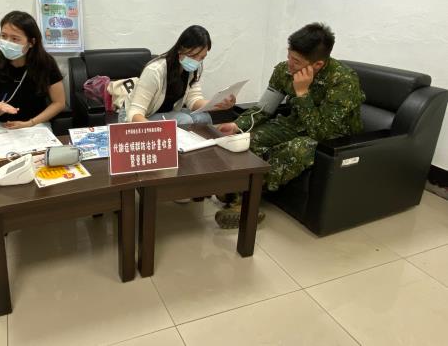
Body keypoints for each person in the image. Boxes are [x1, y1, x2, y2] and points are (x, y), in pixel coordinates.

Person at [214, 23, 365, 229]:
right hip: (296, 123)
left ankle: (246, 203)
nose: (289, 65)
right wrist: (237, 125)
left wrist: (302, 93)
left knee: (296, 149)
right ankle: (236, 189)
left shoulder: (344, 81)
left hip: (334, 136)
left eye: (296, 61)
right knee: (251, 139)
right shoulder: (283, 71)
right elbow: (264, 109)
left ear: (318, 65)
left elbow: (322, 131)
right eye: (289, 56)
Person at [0, 11, 66, 143]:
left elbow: (59, 103)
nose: (7, 42)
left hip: (36, 124)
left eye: (15, 39)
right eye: (4, 36)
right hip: (0, 126)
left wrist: (30, 123)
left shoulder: (46, 63)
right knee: (5, 153)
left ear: (31, 42)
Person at [121, 25, 235, 124]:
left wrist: (218, 104)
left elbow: (194, 100)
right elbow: (135, 113)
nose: (197, 61)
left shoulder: (191, 70)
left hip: (162, 113)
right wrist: (160, 132)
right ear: (180, 50)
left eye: (202, 58)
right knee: (184, 120)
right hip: (134, 117)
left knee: (203, 118)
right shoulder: (155, 71)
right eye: (193, 56)